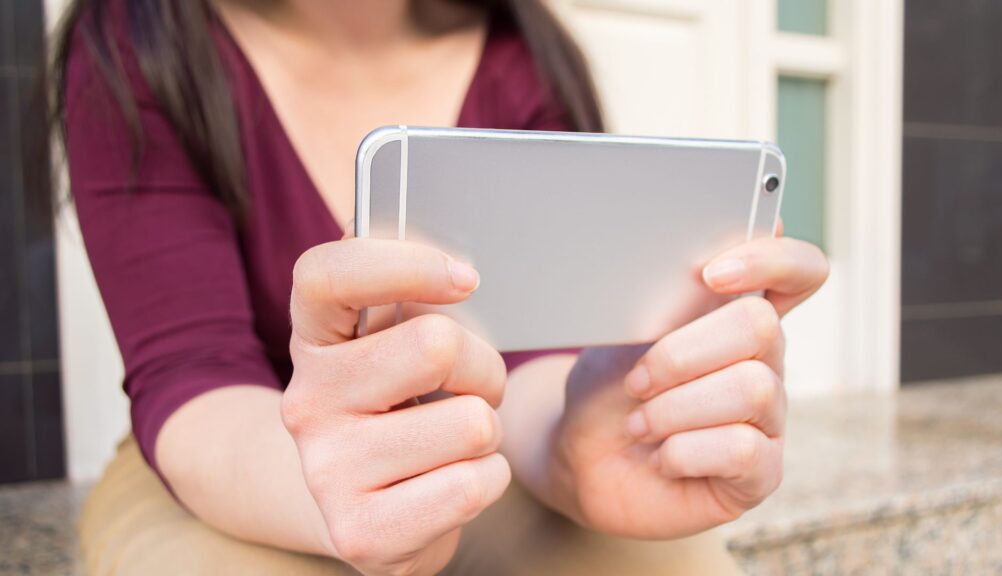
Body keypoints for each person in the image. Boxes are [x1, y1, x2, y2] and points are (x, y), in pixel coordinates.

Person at [54, 0, 829, 574]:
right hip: (237, 461)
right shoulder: (139, 42)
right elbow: (194, 378)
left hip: (484, 446)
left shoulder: (520, 54)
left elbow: (532, 364)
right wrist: (345, 496)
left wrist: (570, 452)